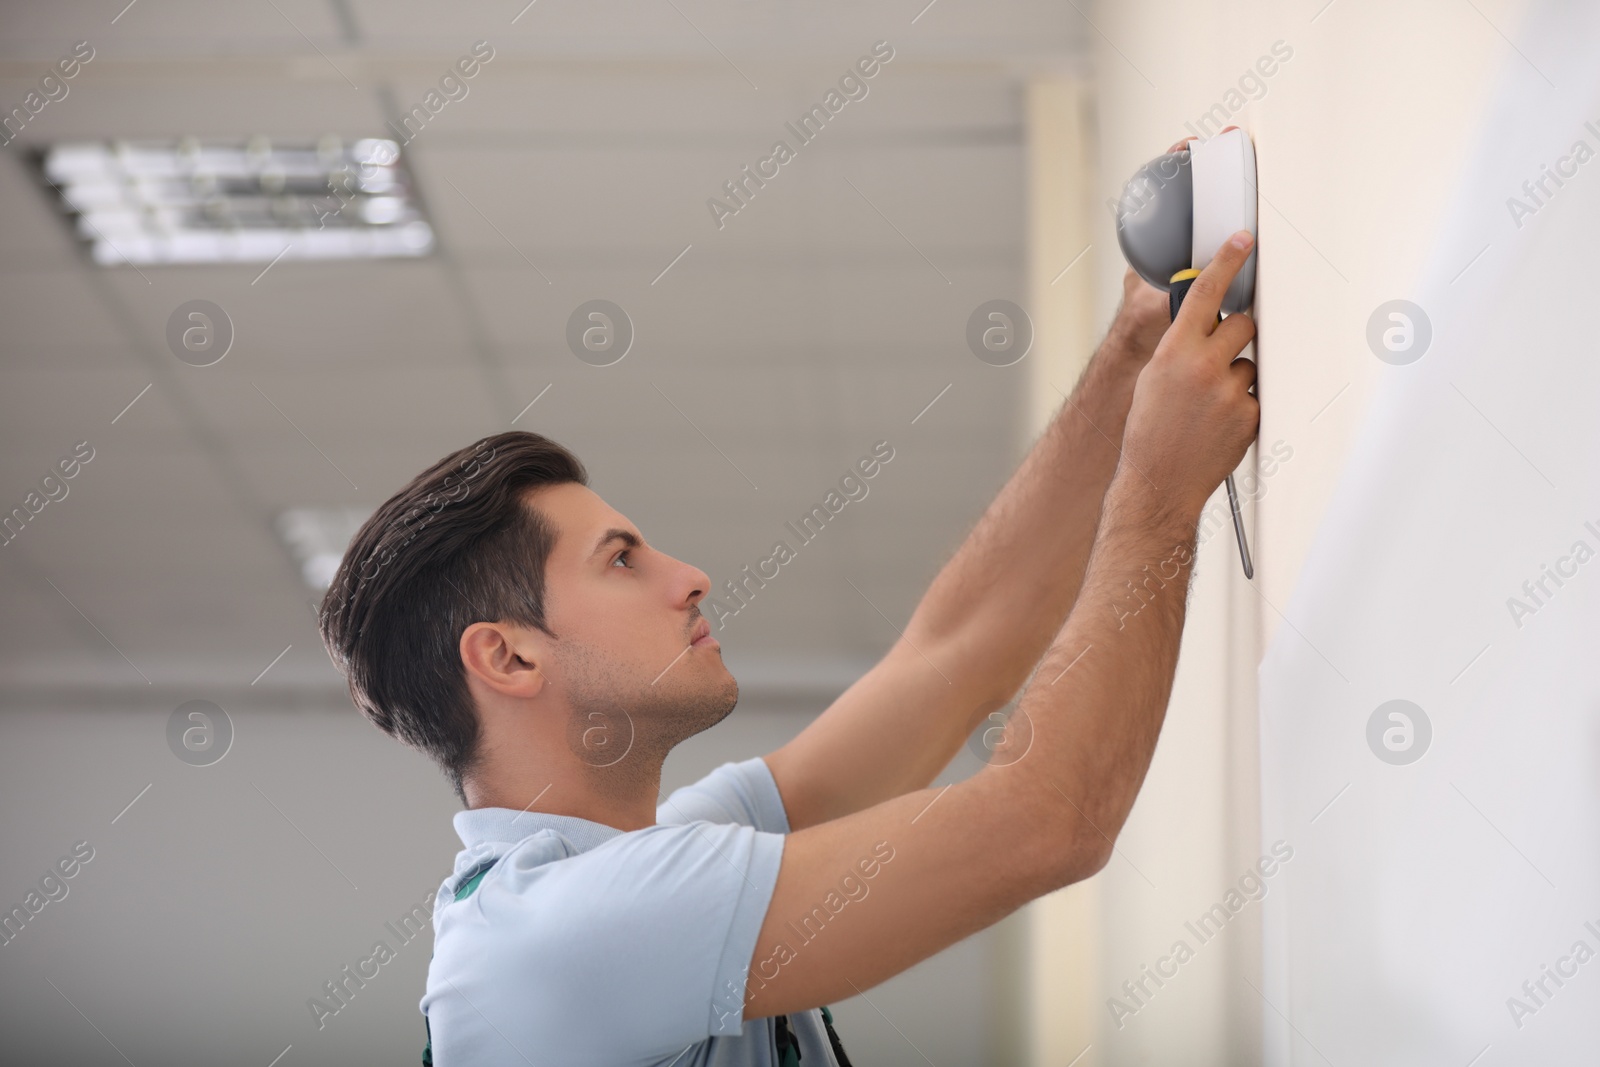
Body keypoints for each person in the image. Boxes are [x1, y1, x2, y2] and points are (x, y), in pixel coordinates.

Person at [317, 232, 1259, 1066]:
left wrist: (1135, 346)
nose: (688, 575)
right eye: (621, 561)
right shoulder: (563, 934)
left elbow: (959, 652)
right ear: (510, 659)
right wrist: (1158, 497)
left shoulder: (624, 874)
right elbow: (1047, 823)